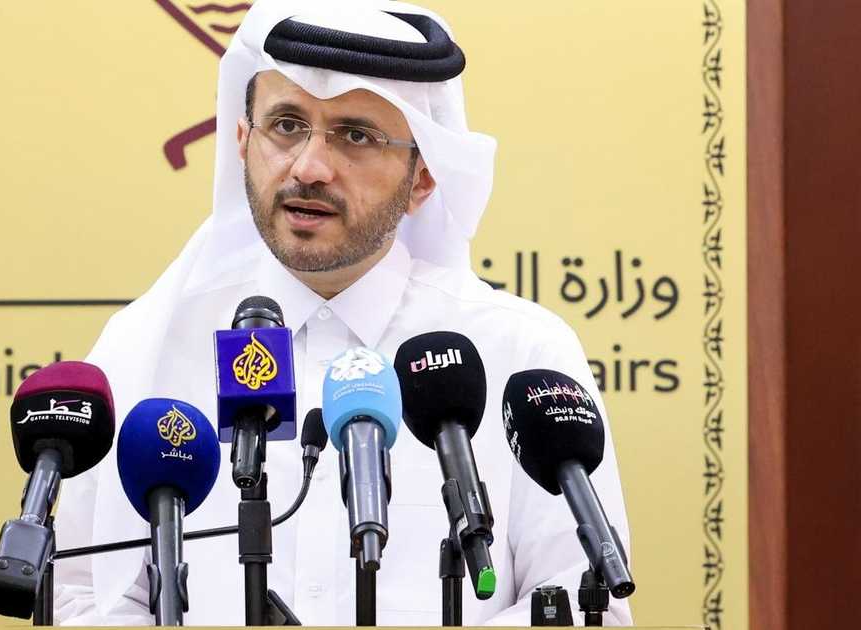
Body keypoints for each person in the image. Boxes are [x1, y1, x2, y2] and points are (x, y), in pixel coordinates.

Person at [53, 0, 632, 625]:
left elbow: (586, 602)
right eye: (286, 125)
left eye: (356, 135)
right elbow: (83, 594)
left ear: (423, 178)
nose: (309, 167)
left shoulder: (521, 353)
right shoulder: (149, 346)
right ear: (243, 141)